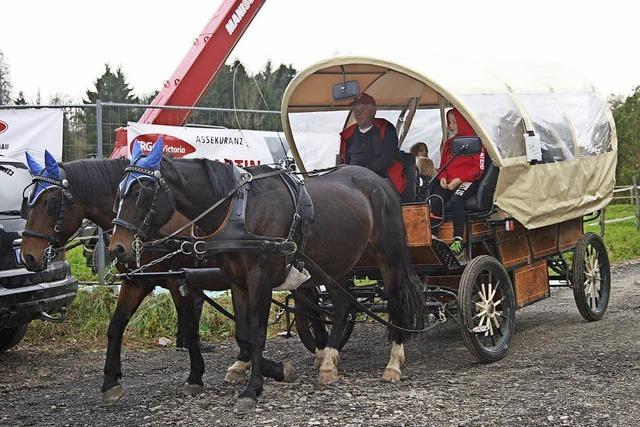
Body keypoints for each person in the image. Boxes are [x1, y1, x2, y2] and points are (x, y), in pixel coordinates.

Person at [431, 108, 486, 259]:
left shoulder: (476, 142)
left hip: (468, 181)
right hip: (448, 182)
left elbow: (478, 169)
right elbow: (443, 164)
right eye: (449, 122)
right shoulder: (449, 144)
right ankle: (434, 235)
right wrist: (442, 177)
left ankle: (457, 240)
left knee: (457, 200)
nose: (451, 126)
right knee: (435, 199)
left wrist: (460, 180)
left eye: (454, 122)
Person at [339, 93, 406, 196]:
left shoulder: (386, 128)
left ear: (373, 111)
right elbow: (345, 161)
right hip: (353, 177)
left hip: (382, 176)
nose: (358, 113)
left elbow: (388, 158)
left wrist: (364, 172)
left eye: (363, 109)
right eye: (355, 109)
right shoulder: (348, 134)